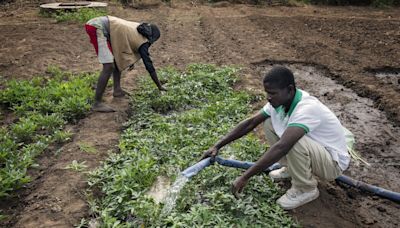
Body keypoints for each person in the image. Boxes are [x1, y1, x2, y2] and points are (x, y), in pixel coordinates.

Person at [200, 66, 351, 210]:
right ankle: (292, 169)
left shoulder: (307, 108)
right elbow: (251, 123)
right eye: (267, 93)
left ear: (290, 89)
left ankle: (305, 188)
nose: (268, 98)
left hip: (332, 163)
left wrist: (245, 177)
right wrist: (217, 145)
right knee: (269, 122)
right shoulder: (280, 100)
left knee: (293, 140)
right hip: (317, 152)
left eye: (272, 93)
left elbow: (282, 146)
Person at [85, 16, 166, 112]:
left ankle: (117, 90)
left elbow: (125, 44)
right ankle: (97, 103)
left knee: (117, 61)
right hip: (97, 27)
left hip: (101, 25)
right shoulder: (143, 41)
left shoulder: (137, 28)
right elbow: (148, 64)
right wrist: (159, 86)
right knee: (109, 66)